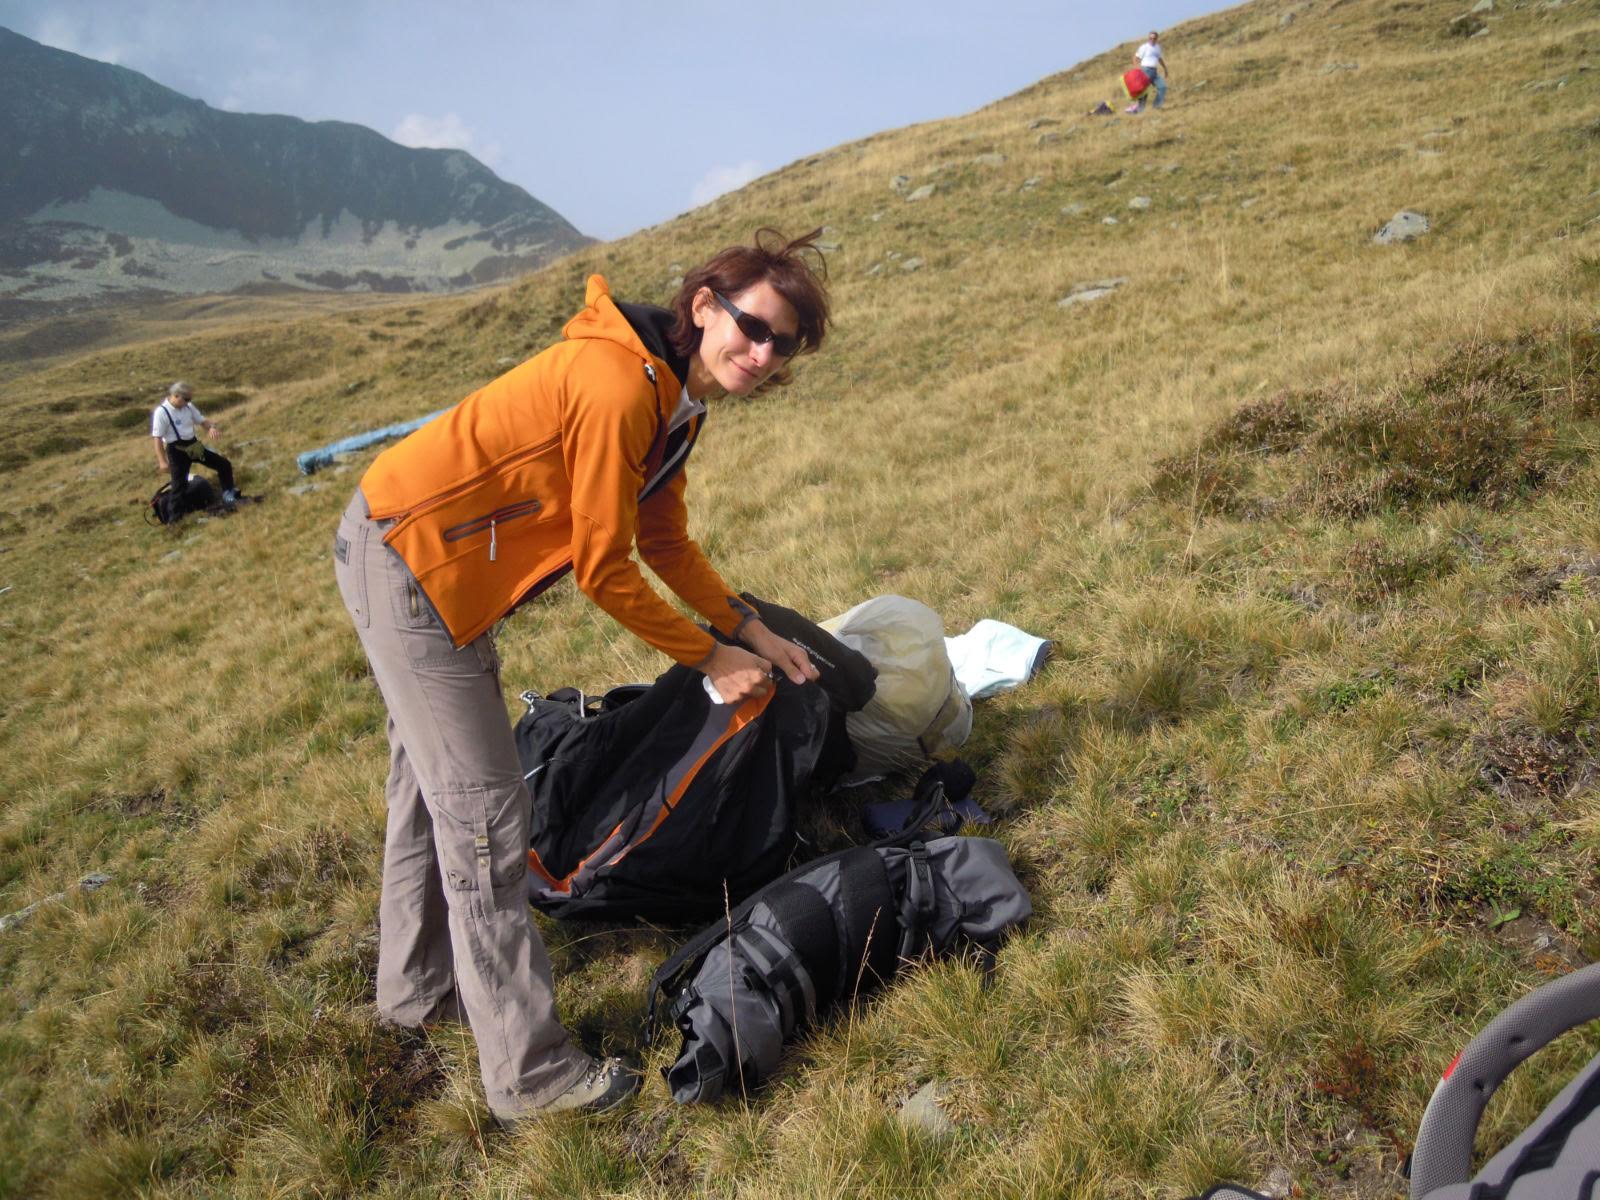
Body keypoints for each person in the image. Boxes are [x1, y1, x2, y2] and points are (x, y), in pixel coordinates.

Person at [332, 228, 831, 1124]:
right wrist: (715, 661)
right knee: (486, 816)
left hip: (427, 561)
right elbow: (605, 569)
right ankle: (530, 1077)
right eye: (752, 327)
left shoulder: (672, 399)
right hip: (412, 562)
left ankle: (413, 995)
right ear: (704, 304)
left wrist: (748, 627)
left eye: (783, 343)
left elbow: (663, 539)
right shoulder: (617, 386)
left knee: (430, 787)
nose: (761, 354)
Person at [152, 381, 238, 506]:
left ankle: (228, 494)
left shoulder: (188, 406)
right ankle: (174, 519)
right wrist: (162, 461)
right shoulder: (162, 412)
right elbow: (157, 438)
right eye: (186, 399)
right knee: (179, 485)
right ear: (175, 395)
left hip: (193, 446)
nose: (188, 402)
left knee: (223, 464)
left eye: (189, 399)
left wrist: (211, 428)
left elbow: (202, 421)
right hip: (177, 450)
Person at [1130, 31, 1170, 112]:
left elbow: (1159, 58)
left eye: (1154, 38)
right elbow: (1135, 58)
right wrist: (1136, 69)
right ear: (1148, 38)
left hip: (1154, 72)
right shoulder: (1144, 47)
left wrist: (1165, 68)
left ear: (1156, 39)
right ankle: (1140, 110)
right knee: (1144, 92)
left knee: (1162, 87)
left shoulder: (1158, 47)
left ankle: (1156, 107)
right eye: (1150, 38)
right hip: (1145, 70)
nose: (1152, 39)